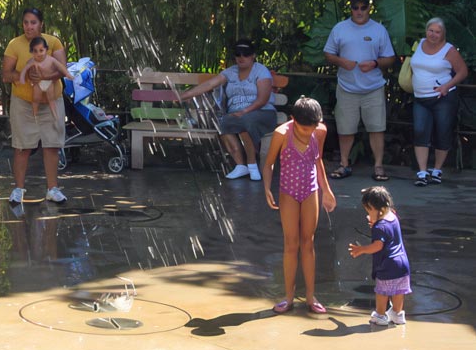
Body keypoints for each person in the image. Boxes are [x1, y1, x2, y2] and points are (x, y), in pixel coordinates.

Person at [261, 97, 337, 315]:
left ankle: (311, 297)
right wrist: (267, 187)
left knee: (308, 242)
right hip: (288, 192)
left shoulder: (319, 131)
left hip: (311, 189)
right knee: (291, 243)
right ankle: (288, 296)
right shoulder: (282, 134)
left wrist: (326, 190)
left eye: (311, 128)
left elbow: (317, 159)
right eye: (303, 128)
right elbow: (269, 163)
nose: (307, 132)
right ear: (293, 120)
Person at [175, 38, 278, 181]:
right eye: (238, 54)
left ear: (253, 55)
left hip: (262, 112)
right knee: (222, 122)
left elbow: (263, 99)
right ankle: (241, 166)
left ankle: (252, 165)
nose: (241, 57)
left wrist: (245, 111)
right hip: (237, 115)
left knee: (244, 122)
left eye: (246, 54)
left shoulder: (261, 71)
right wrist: (185, 95)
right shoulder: (230, 72)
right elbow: (209, 84)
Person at [323, 0, 397, 180]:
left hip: (373, 88)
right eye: (355, 7)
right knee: (345, 129)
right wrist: (342, 62)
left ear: (369, 8)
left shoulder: (379, 30)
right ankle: (344, 164)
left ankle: (378, 166)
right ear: (351, 8)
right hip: (347, 87)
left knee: (376, 128)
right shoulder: (339, 28)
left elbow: (390, 58)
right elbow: (328, 54)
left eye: (363, 7)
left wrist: (374, 63)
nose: (359, 11)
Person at [2, 8, 68, 204]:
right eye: (25, 22)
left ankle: (53, 189)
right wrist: (25, 76)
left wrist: (45, 76)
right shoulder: (15, 44)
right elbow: (6, 74)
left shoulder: (53, 42)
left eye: (33, 22)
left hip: (51, 101)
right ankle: (18, 189)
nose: (29, 26)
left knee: (52, 146)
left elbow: (62, 70)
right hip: (23, 102)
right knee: (22, 147)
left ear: (41, 24)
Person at [409, 17, 468, 186]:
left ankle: (436, 170)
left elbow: (462, 71)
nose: (433, 34)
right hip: (420, 97)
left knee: (443, 132)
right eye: (430, 30)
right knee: (420, 131)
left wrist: (446, 86)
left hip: (443, 98)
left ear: (443, 34)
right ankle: (422, 172)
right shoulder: (418, 44)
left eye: (437, 32)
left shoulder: (449, 50)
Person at [348, 186, 411, 325]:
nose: (368, 214)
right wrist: (375, 221)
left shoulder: (379, 227)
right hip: (402, 263)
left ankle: (381, 315)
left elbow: (378, 246)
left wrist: (361, 249)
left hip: (387, 264)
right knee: (398, 290)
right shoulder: (393, 216)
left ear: (378, 209)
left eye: (369, 210)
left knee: (382, 291)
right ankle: (397, 314)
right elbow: (388, 234)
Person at [18, 36, 66, 121]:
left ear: (46, 50)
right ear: (32, 52)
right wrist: (23, 77)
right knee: (35, 100)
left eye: (41, 50)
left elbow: (62, 68)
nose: (39, 54)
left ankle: (55, 117)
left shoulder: (51, 60)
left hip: (49, 83)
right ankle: (34, 116)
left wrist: (67, 75)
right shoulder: (32, 61)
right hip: (38, 84)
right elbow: (25, 69)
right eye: (35, 51)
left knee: (51, 101)